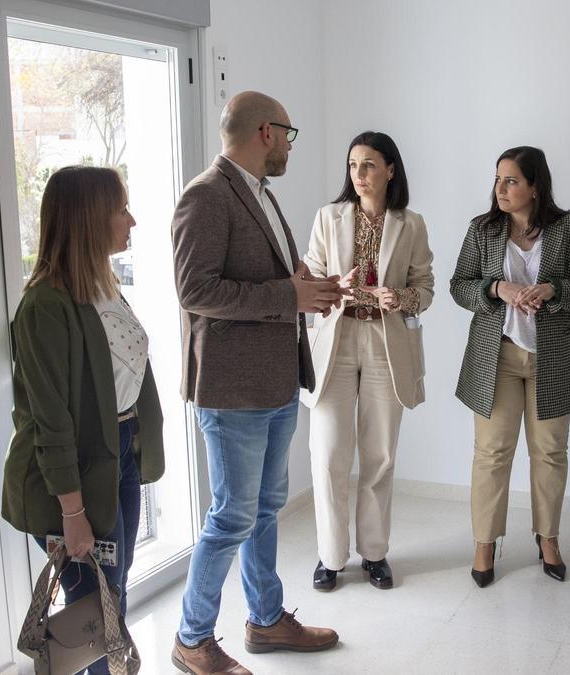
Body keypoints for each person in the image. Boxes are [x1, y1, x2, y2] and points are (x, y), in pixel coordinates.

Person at [170, 91, 343, 675]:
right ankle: (193, 638)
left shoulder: (261, 195)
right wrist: (285, 296)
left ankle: (265, 621)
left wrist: (306, 285)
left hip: (274, 384)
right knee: (232, 516)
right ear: (266, 132)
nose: (290, 146)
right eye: (289, 135)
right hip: (231, 391)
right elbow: (195, 292)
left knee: (264, 509)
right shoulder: (206, 196)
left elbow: (266, 282)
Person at [1, 165, 164, 675]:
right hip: (66, 478)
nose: (132, 221)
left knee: (109, 591)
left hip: (118, 455)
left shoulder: (105, 286)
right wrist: (72, 513)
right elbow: (52, 423)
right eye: (121, 210)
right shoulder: (44, 306)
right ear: (89, 220)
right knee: (94, 603)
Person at [450, 146, 570, 588]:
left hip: (552, 359)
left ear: (535, 186)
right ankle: (485, 542)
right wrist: (496, 287)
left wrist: (553, 290)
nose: (501, 188)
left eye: (512, 180)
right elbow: (459, 286)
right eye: (498, 179)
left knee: (551, 453)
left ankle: (548, 538)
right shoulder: (482, 230)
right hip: (496, 356)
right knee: (491, 453)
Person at [301, 131, 435, 592]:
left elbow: (426, 289)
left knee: (378, 455)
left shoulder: (411, 223)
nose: (359, 174)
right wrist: (333, 287)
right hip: (335, 340)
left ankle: (374, 554)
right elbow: (310, 280)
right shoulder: (327, 217)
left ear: (390, 169)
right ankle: (330, 557)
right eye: (353, 165)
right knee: (329, 455)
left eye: (370, 165)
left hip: (384, 341)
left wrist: (399, 297)